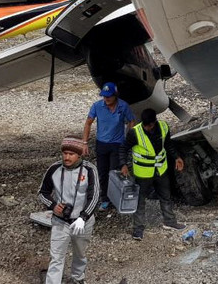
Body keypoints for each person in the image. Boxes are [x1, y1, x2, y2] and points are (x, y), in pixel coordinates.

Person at [38, 137, 100, 284]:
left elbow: (95, 196)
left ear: (79, 155)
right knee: (56, 257)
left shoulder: (90, 169)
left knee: (80, 254)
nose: (67, 157)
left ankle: (78, 278)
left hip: (82, 222)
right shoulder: (54, 169)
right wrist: (53, 206)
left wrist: (83, 217)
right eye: (64, 153)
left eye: (71, 154)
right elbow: (42, 192)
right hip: (60, 221)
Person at [119, 109, 186, 240]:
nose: (148, 128)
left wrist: (177, 157)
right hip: (143, 173)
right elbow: (123, 148)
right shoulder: (135, 132)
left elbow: (168, 144)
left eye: (150, 125)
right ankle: (138, 229)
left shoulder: (164, 127)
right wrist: (123, 164)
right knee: (140, 200)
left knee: (165, 196)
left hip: (161, 170)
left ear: (154, 122)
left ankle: (170, 222)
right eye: (146, 125)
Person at [83, 82, 135, 211]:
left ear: (115, 95)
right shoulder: (97, 106)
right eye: (104, 96)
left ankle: (115, 198)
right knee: (102, 172)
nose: (106, 99)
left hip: (117, 144)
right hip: (101, 144)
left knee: (114, 172)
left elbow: (132, 121)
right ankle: (105, 198)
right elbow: (88, 122)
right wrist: (84, 142)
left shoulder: (123, 106)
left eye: (109, 96)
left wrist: (129, 138)